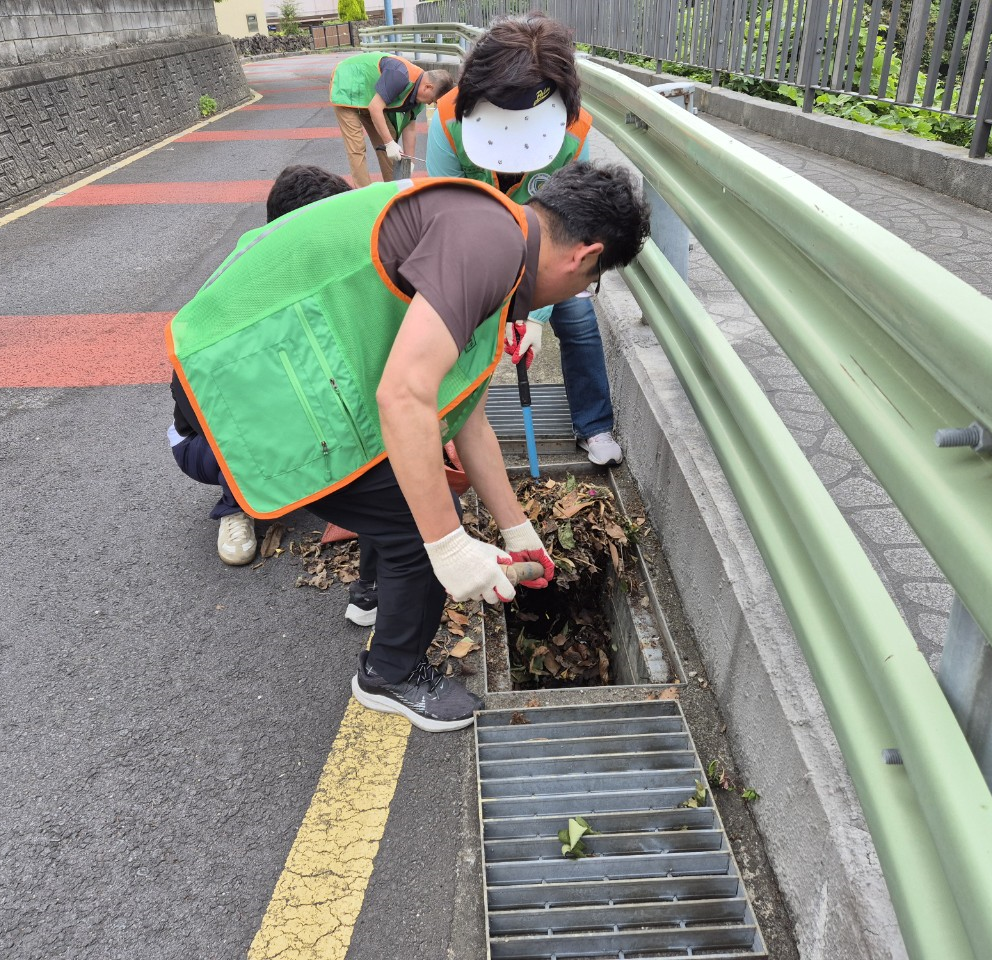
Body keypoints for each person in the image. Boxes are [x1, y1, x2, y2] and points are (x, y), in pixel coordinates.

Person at [168, 162, 650, 731]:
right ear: (585, 256)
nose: (580, 292)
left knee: (408, 485)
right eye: (590, 283)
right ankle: (389, 673)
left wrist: (518, 531)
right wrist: (447, 546)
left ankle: (374, 593)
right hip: (246, 367)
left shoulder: (500, 232)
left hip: (266, 353)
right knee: (418, 518)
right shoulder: (488, 245)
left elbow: (465, 416)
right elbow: (404, 396)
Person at [426, 15, 625, 467]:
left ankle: (594, 425)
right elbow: (446, 217)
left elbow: (571, 228)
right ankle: (448, 425)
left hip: (544, 249)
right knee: (452, 327)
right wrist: (490, 301)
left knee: (576, 316)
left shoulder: (572, 133)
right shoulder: (448, 117)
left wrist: (532, 315)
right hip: (475, 246)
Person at [168, 165, 352, 565]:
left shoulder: (306, 274)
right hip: (203, 441)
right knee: (280, 397)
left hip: (273, 418)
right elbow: (190, 402)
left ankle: (307, 472)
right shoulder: (236, 294)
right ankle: (236, 505)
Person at [329, 52, 453, 188]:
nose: (430, 103)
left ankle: (392, 189)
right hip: (347, 85)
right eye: (432, 99)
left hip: (369, 97)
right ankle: (363, 194)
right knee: (357, 147)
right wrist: (389, 143)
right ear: (428, 87)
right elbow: (375, 108)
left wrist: (409, 162)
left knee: (389, 136)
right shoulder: (400, 75)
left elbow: (410, 129)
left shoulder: (418, 98)